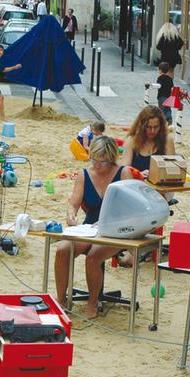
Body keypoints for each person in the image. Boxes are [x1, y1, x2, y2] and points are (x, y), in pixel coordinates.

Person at [54, 136, 137, 319]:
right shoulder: (85, 174)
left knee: (93, 257)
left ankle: (92, 301)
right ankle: (60, 299)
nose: (98, 165)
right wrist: (71, 215)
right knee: (62, 249)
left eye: (103, 162)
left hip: (116, 232)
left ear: (111, 158)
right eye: (94, 160)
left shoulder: (123, 173)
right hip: (90, 228)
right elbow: (73, 203)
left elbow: (131, 210)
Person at [121, 106, 175, 177]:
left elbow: (172, 169)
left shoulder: (167, 140)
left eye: (156, 127)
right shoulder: (131, 141)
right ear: (141, 126)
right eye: (149, 127)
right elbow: (125, 169)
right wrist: (138, 174)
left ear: (161, 126)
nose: (153, 131)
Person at [0, 43, 23, 122]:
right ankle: (2, 117)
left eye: (1, 50)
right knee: (1, 97)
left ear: (3, 52)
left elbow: (3, 70)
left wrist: (14, 67)